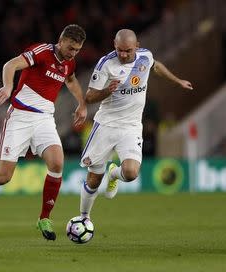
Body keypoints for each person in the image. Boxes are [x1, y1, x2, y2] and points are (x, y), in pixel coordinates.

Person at [0, 24, 87, 241]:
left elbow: (71, 80)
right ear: (61, 40)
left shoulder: (69, 63)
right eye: (70, 48)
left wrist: (82, 104)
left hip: (45, 120)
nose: (72, 53)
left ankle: (44, 218)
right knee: (2, 178)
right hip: (19, 117)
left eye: (77, 50)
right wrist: (8, 86)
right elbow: (10, 64)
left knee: (57, 163)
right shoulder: (42, 52)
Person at [79, 29, 193, 224]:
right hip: (106, 124)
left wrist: (178, 81)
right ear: (114, 45)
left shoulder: (145, 56)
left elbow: (156, 66)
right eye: (120, 50)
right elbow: (89, 97)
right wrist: (108, 90)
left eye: (128, 51)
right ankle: (84, 218)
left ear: (137, 46)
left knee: (131, 173)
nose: (123, 55)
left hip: (131, 126)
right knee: (94, 178)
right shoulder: (106, 64)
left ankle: (114, 173)